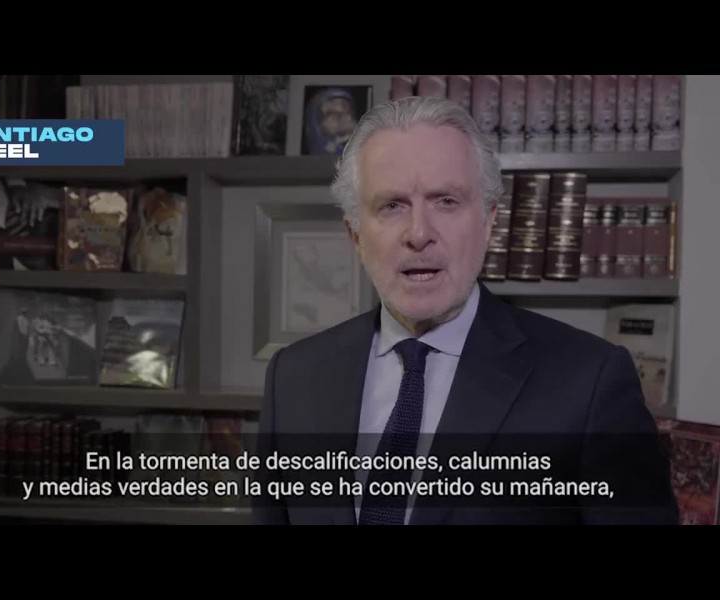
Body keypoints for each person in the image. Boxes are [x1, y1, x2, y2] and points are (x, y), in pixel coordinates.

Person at [252, 96, 678, 525]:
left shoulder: (590, 382)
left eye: (446, 201)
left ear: (489, 222)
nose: (419, 233)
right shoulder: (293, 377)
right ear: (356, 236)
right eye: (392, 205)